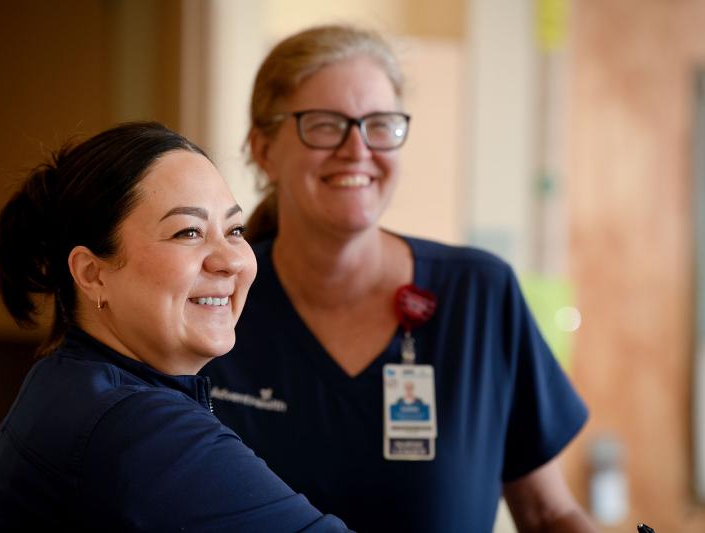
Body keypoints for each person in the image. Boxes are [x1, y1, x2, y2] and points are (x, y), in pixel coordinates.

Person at [201, 25, 597, 532]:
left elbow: (547, 513)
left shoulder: (477, 297)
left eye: (380, 125)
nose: (357, 148)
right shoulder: (217, 303)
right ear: (263, 149)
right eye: (324, 125)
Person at [0, 122, 351, 532]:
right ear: (93, 273)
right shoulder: (138, 428)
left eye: (234, 230)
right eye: (188, 232)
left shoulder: (67, 382)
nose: (232, 260)